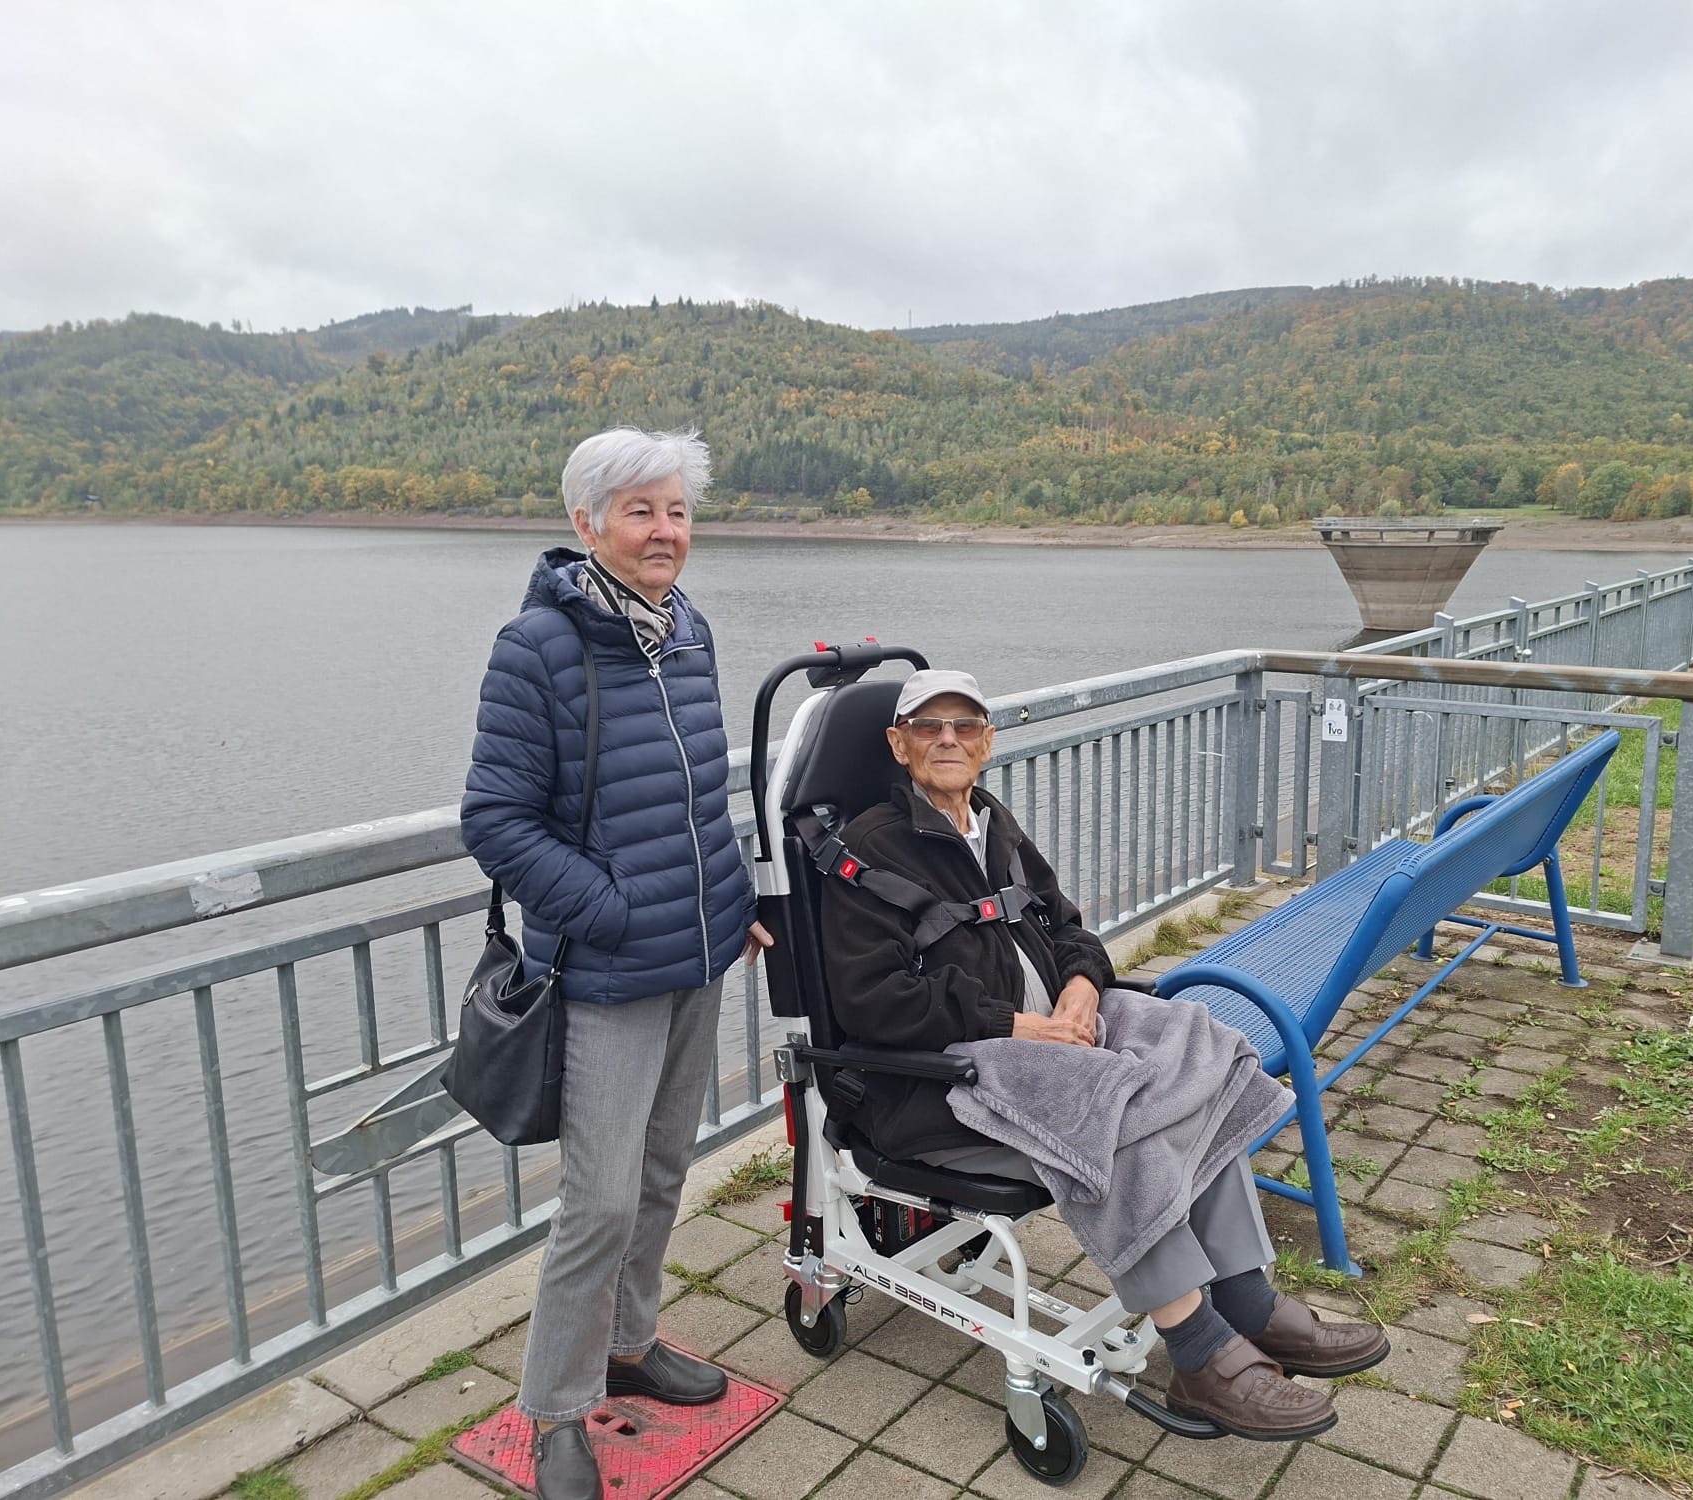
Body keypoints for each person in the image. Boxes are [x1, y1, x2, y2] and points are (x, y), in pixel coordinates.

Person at [819, 669, 1388, 1443]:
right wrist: (1020, 1025)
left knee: (1197, 1070)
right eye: (927, 726)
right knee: (1122, 1115)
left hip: (1058, 1035)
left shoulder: (991, 821)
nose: (947, 739)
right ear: (898, 743)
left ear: (987, 742)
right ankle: (1198, 1350)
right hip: (942, 1082)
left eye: (964, 726)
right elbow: (872, 1003)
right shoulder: (866, 851)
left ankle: (1246, 1301)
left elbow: (1069, 927)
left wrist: (1083, 986)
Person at [461, 427, 773, 1500]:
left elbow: (695, 801)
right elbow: (495, 822)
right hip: (602, 971)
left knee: (659, 1172)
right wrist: (607, 910)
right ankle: (552, 1409)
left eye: (677, 511)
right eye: (640, 512)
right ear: (585, 523)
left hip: (697, 958)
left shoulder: (688, 630)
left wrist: (730, 902)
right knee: (594, 1202)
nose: (665, 532)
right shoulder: (536, 647)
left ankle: (630, 1344)